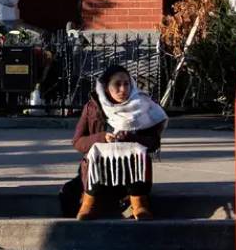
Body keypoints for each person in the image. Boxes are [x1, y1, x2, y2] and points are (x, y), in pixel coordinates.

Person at [72, 65, 168, 221]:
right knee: (98, 154)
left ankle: (139, 203)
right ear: (106, 87)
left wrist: (131, 138)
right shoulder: (92, 107)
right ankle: (89, 203)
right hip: (98, 173)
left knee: (136, 153)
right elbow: (77, 142)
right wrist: (102, 138)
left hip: (132, 172)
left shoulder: (143, 105)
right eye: (117, 84)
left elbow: (153, 143)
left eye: (127, 83)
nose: (123, 89)